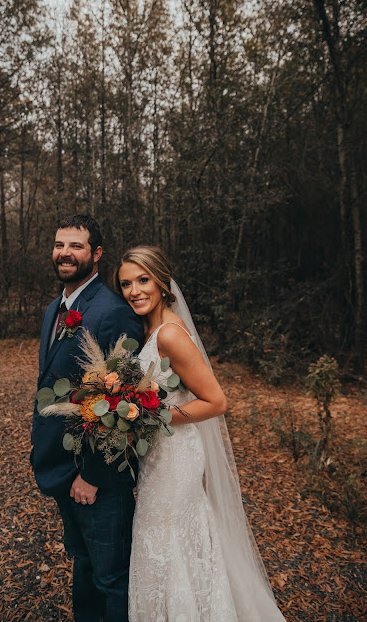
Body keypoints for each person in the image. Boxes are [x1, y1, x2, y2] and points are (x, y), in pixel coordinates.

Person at [114, 245, 287, 622]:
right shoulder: (148, 330)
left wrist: (150, 416)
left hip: (175, 457)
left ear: (162, 282)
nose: (134, 291)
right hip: (158, 455)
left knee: (165, 538)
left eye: (143, 280)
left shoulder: (171, 335)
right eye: (126, 284)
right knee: (165, 538)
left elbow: (216, 401)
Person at [31, 215, 144, 622]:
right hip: (62, 466)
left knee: (113, 577)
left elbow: (127, 405)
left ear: (96, 254)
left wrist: (93, 474)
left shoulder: (112, 312)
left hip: (97, 478)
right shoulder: (54, 310)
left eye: (76, 246)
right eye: (60, 244)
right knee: (83, 561)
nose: (65, 253)